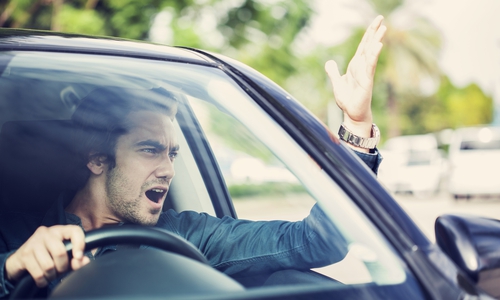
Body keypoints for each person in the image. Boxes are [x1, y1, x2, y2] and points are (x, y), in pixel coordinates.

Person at [0, 15, 386, 297]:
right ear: (98, 158)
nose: (168, 169)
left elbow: (315, 241)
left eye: (172, 153)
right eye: (150, 150)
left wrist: (356, 125)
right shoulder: (20, 235)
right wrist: (11, 266)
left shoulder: (188, 236)